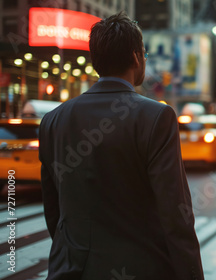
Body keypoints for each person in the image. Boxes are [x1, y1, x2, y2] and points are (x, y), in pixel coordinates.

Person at [38, 12, 204, 280]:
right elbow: (176, 217)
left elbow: (54, 210)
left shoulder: (52, 120)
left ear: (96, 62)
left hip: (68, 270)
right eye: (145, 55)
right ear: (137, 57)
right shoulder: (156, 117)